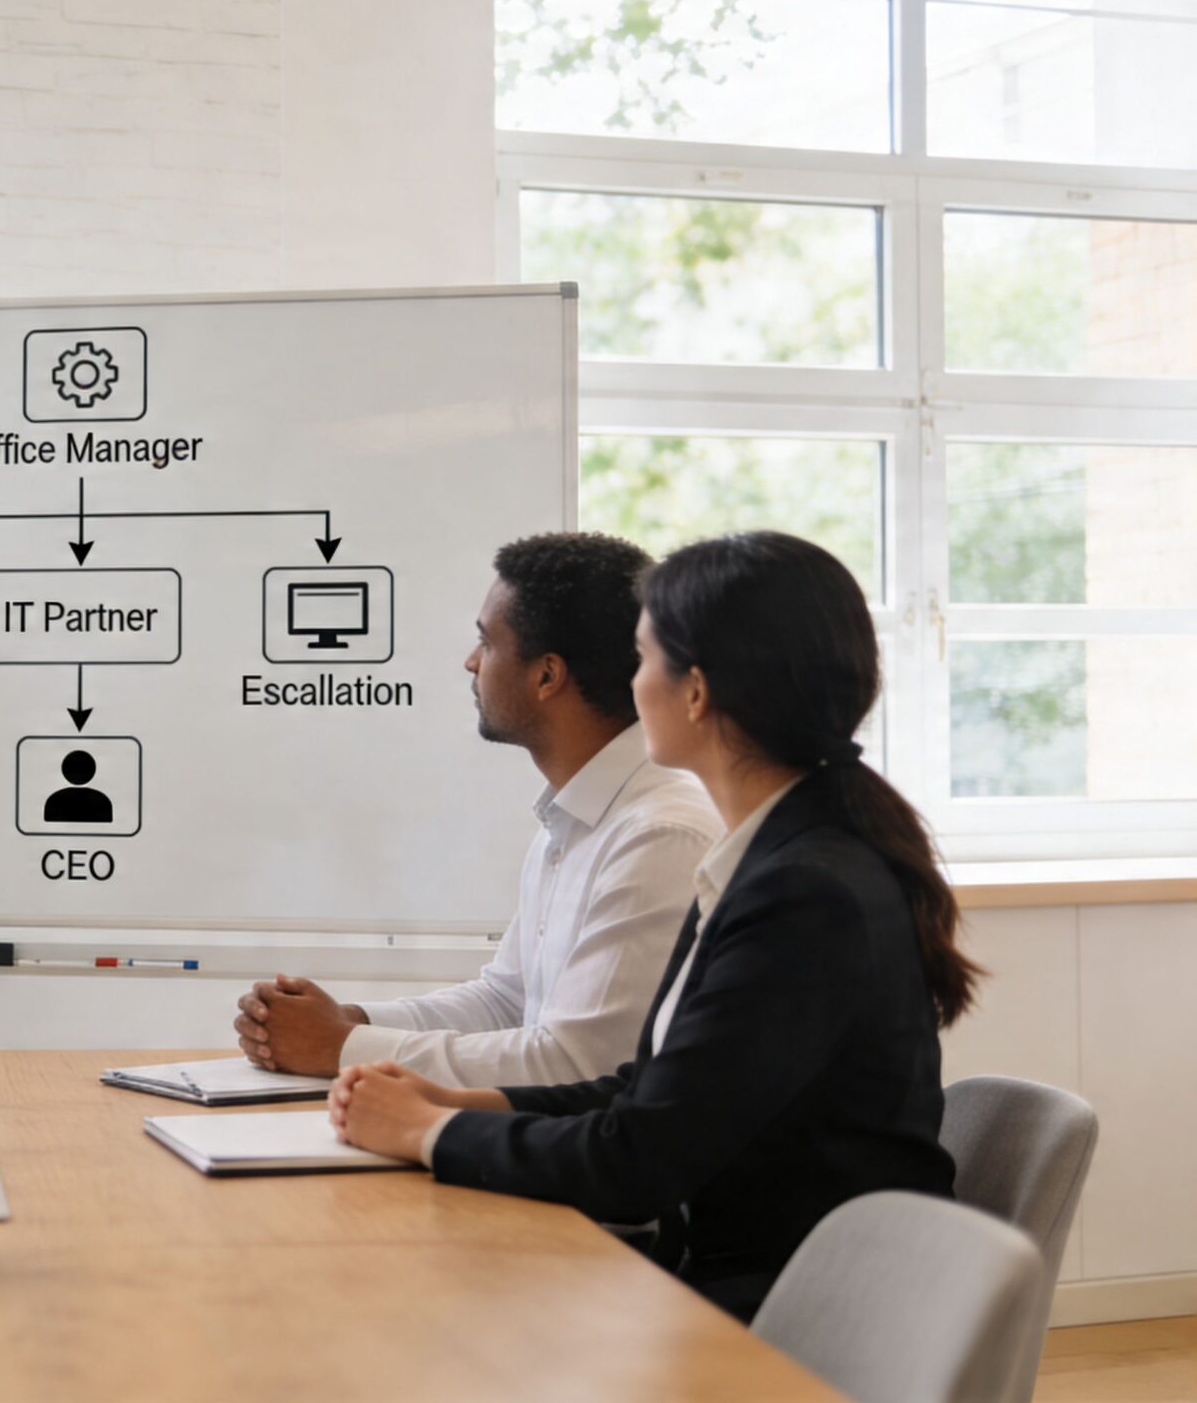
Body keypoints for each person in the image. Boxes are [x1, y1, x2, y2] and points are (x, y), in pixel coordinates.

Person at [330, 530, 980, 1322]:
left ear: (696, 693)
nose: (629, 687)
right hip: (744, 1273)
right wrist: (467, 1104)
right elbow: (650, 1090)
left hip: (799, 1306)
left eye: (642, 661)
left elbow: (641, 1159)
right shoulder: (770, 859)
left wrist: (430, 1131)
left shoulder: (805, 892)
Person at [234, 533, 719, 1086]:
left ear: (546, 675)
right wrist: (352, 1021)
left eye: (486, 643)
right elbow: (506, 1001)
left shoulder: (659, 836)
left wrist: (342, 1047)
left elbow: (578, 1065)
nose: (470, 662)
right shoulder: (577, 819)